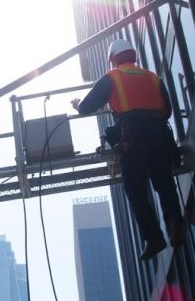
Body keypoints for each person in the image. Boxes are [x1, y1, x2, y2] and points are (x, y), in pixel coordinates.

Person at [71, 39, 185, 261]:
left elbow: (86, 108)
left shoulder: (112, 78)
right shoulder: (153, 77)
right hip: (160, 135)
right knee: (164, 183)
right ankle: (174, 225)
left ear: (113, 59)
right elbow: (167, 110)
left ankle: (154, 238)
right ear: (132, 55)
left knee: (135, 190)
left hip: (132, 136)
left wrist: (77, 105)